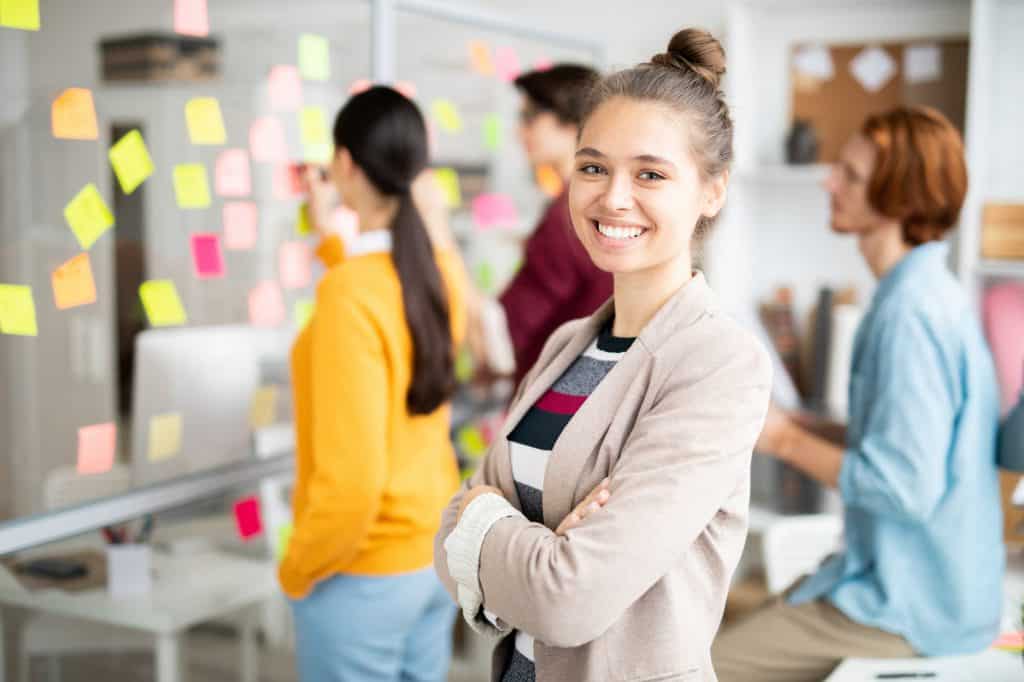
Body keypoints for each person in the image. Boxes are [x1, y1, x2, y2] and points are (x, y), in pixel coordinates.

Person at [434, 29, 772, 682]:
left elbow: (566, 600)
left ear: (711, 191)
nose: (613, 197)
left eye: (650, 173)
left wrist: (483, 517)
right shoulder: (569, 344)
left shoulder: (719, 365)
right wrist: (526, 537)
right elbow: (444, 541)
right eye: (593, 167)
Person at [713, 106, 1005, 681]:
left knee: (701, 668)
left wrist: (783, 441)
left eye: (848, 174)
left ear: (898, 195)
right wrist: (802, 424)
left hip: (913, 606)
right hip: (927, 588)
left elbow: (903, 486)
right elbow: (904, 442)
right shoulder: (922, 293)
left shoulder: (909, 315)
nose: (829, 181)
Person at [278, 86, 466, 682]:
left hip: (362, 578)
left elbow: (351, 486)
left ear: (346, 166)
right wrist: (333, 245)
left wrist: (297, 567)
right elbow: (386, 303)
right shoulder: (439, 275)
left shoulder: (351, 297)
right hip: (430, 560)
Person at [466, 64, 613, 390]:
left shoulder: (568, 217)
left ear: (573, 122)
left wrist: (440, 249)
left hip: (558, 399)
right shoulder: (596, 207)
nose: (520, 132)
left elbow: (501, 341)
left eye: (531, 117)